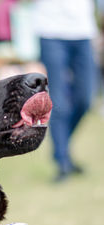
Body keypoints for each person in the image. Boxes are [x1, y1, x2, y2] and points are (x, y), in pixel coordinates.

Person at [33, 0, 98, 182]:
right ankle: (62, 162)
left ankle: (62, 147)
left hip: (83, 32)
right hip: (50, 32)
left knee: (85, 98)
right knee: (59, 104)